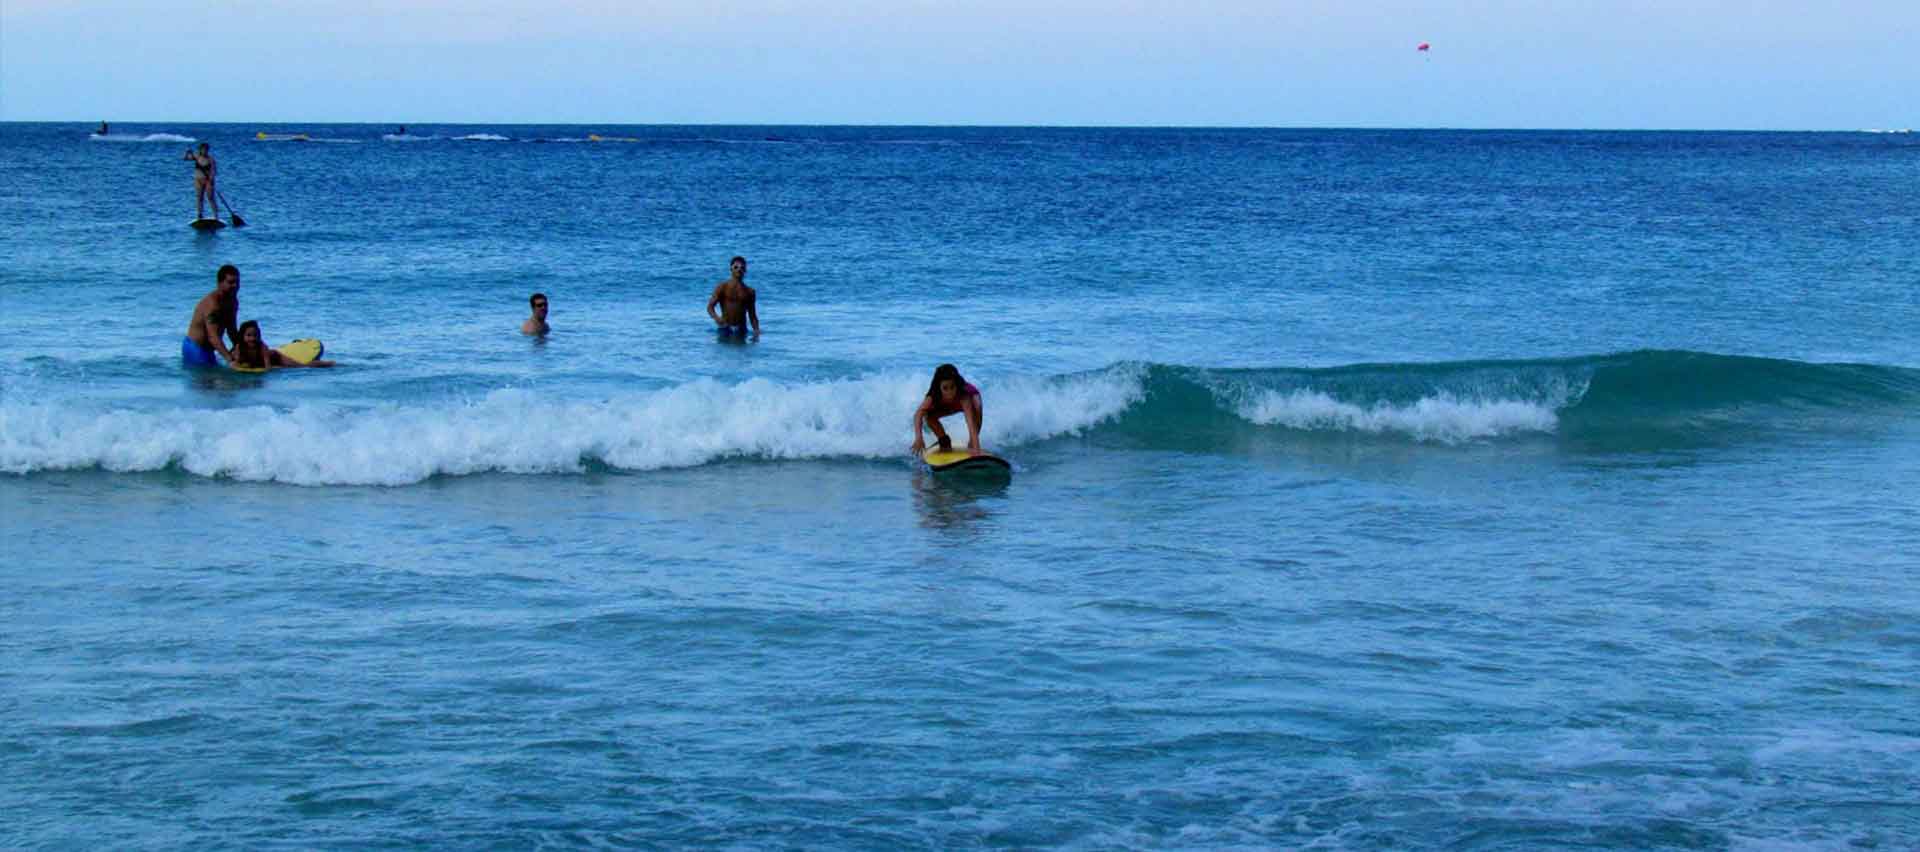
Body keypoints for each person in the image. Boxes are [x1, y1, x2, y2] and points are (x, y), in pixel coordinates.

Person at [910, 363, 984, 456]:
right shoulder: (933, 395)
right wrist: (919, 438)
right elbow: (918, 414)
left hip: (966, 402)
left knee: (977, 405)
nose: (949, 392)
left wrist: (976, 448)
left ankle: (973, 442)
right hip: (948, 406)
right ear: (939, 387)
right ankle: (944, 440)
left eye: (952, 387)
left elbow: (970, 422)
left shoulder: (964, 395)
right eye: (945, 388)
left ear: (957, 385)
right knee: (928, 415)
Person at [183, 264, 241, 367]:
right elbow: (213, 337)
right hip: (196, 348)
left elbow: (231, 329)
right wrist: (230, 360)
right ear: (219, 283)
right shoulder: (212, 305)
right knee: (208, 380)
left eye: (237, 282)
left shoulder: (233, 301)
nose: (235, 286)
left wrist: (241, 348)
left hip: (210, 349)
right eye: (231, 282)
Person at [231, 320, 334, 369]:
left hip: (276, 357)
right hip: (259, 362)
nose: (252, 338)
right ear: (242, 337)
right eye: (248, 335)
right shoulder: (239, 348)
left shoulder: (262, 347)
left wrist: (277, 367)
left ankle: (328, 364)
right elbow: (235, 363)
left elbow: (268, 367)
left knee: (301, 366)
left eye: (255, 335)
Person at [705, 256, 759, 339]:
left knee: (741, 350)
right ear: (731, 269)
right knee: (724, 351)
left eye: (742, 267)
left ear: (745, 270)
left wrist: (756, 332)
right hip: (725, 328)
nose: (739, 269)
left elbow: (752, 316)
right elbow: (710, 307)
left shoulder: (750, 292)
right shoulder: (722, 287)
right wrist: (717, 318)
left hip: (741, 329)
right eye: (736, 267)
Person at [182, 142, 217, 219]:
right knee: (199, 197)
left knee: (210, 197)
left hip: (208, 181)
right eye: (203, 150)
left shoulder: (211, 159)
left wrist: (211, 178)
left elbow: (214, 170)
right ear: (200, 150)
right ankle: (200, 214)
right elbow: (184, 158)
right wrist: (187, 152)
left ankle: (215, 215)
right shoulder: (196, 156)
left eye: (206, 150)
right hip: (198, 180)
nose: (204, 151)